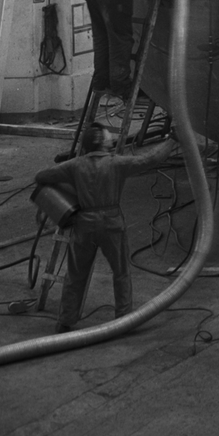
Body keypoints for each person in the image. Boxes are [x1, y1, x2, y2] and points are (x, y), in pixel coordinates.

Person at [34, 123, 177, 331]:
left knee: (75, 275)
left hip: (84, 223)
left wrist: (69, 196)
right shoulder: (116, 163)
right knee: (121, 272)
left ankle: (65, 321)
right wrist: (173, 140)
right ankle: (124, 320)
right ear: (100, 141)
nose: (111, 136)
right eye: (107, 134)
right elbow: (149, 160)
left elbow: (41, 177)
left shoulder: (75, 165)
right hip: (112, 222)